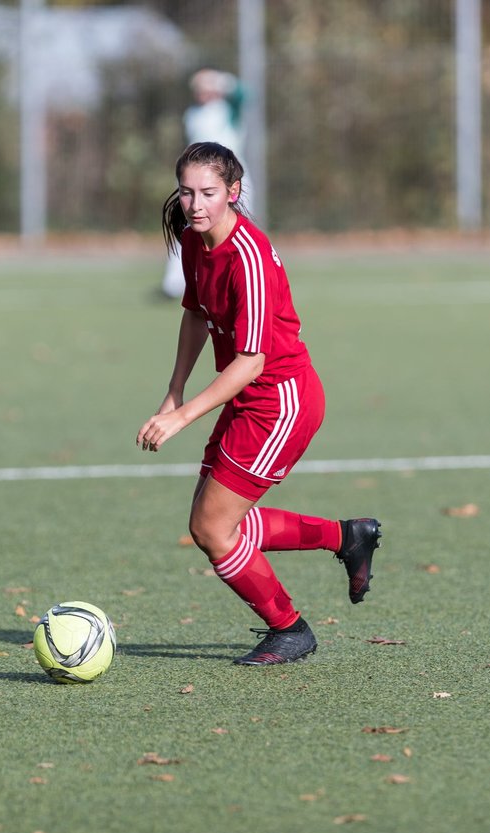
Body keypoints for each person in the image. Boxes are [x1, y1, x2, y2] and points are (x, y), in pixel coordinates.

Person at [137, 141, 381, 666]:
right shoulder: (192, 238)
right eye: (186, 191)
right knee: (220, 525)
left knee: (212, 527)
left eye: (208, 193)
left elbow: (250, 361)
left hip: (280, 401)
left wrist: (181, 417)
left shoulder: (248, 256)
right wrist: (174, 388)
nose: (196, 204)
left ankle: (290, 629)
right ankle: (348, 536)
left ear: (234, 191)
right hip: (249, 397)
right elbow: (196, 315)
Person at [160, 69, 251, 299]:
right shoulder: (193, 114)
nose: (202, 93)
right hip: (200, 181)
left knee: (237, 231)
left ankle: (237, 280)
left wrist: (219, 79)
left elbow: (245, 95)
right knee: (186, 229)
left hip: (229, 179)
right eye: (199, 90)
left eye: (206, 89)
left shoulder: (227, 110)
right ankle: (175, 284)